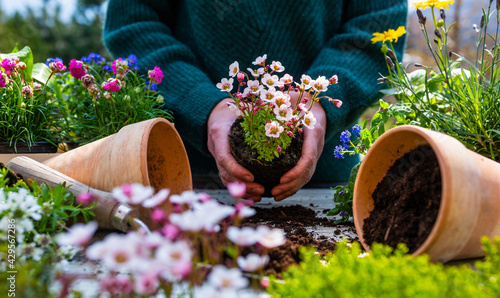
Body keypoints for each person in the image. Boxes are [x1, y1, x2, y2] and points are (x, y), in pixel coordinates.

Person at [103, 0, 407, 202]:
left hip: (324, 184)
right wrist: (203, 105)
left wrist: (318, 101)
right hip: (184, 180)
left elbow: (376, 27)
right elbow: (135, 24)